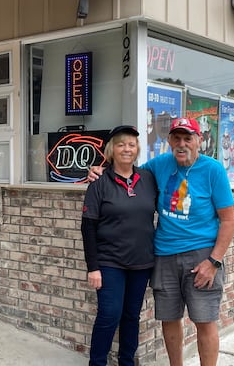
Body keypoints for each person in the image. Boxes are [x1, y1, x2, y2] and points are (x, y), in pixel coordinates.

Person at [89, 117, 234, 366]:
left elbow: (229, 220)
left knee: (204, 320)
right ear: (169, 141)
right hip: (163, 255)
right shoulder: (158, 165)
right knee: (170, 319)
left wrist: (214, 261)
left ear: (198, 141)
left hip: (201, 256)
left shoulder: (213, 170)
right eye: (176, 138)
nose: (182, 144)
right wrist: (101, 169)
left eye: (188, 138)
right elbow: (126, 170)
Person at [81, 125, 158, 366]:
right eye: (121, 144)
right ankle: (97, 363)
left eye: (131, 144)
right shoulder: (99, 181)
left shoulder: (147, 178)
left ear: (137, 150)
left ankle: (127, 362)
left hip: (141, 262)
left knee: (131, 317)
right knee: (108, 315)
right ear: (111, 150)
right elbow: (88, 226)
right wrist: (93, 267)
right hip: (109, 262)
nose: (127, 148)